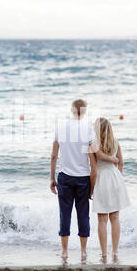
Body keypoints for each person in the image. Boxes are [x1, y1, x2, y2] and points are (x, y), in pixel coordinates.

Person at [50, 100, 118, 261]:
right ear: (85, 111)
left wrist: (52, 178)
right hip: (83, 179)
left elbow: (53, 156)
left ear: (71, 110)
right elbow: (94, 158)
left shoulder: (60, 128)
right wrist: (93, 185)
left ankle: (65, 251)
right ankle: (83, 251)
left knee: (64, 214)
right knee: (83, 215)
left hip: (65, 177)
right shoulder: (88, 130)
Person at [91, 117, 131, 263]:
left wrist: (91, 187)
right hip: (115, 179)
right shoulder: (115, 142)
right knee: (115, 218)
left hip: (102, 179)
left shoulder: (95, 144)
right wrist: (118, 175)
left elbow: (97, 162)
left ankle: (104, 254)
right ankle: (115, 252)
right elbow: (121, 163)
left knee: (102, 219)